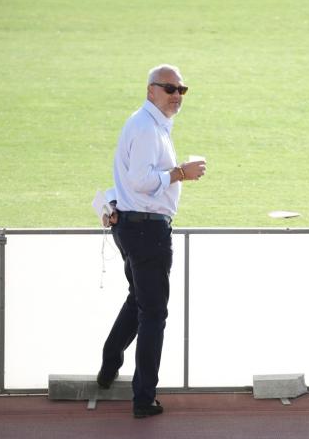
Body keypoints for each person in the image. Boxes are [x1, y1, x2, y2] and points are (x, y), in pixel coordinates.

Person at [97, 64, 206, 418]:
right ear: (151, 91)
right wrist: (181, 174)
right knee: (154, 314)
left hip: (134, 227)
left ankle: (110, 363)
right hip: (147, 231)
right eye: (170, 89)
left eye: (181, 90)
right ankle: (143, 399)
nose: (177, 96)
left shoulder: (148, 124)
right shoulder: (146, 127)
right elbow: (142, 180)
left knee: (139, 301)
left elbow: (130, 180)